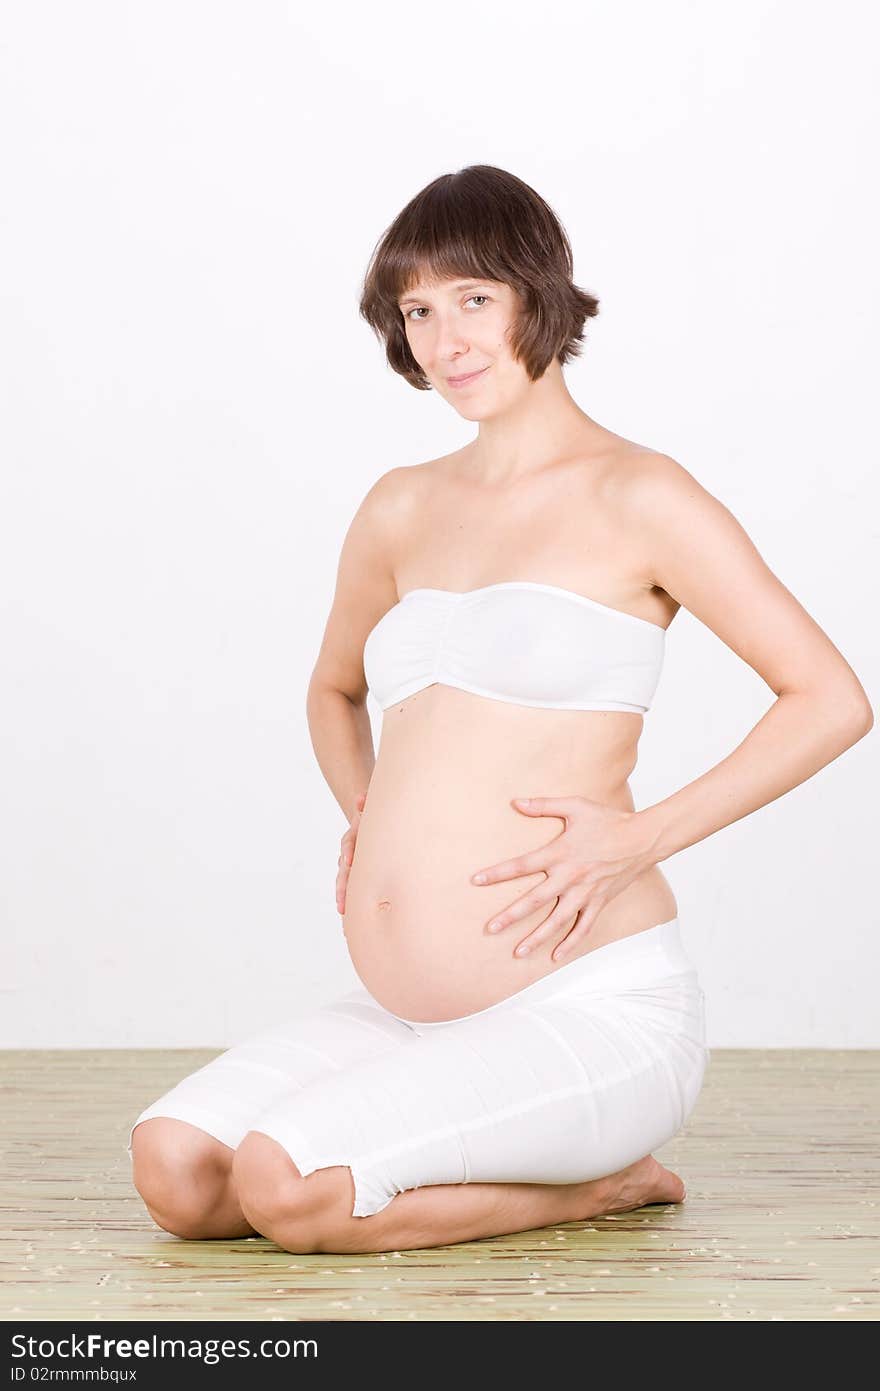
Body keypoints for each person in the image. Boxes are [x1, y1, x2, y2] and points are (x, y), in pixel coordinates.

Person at [128, 165, 873, 1255]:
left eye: (472, 298)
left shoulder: (640, 493)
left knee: (288, 1190)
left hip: (590, 1009)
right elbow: (332, 689)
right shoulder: (401, 505)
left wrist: (634, 840)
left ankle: (606, 1183)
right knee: (179, 1173)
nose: (444, 340)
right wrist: (365, 811)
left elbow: (831, 699)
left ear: (537, 293)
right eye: (416, 312)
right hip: (414, 1013)